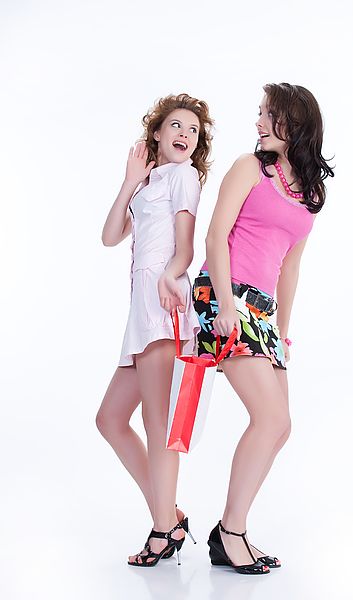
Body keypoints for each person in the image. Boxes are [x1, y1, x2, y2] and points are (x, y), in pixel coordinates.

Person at [192, 82, 334, 574]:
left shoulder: (310, 193)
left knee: (281, 425)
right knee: (270, 419)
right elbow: (215, 236)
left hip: (263, 311)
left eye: (266, 114)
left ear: (293, 124)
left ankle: (232, 530)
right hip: (222, 295)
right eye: (258, 113)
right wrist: (227, 305)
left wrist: (284, 332)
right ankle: (229, 533)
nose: (256, 122)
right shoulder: (248, 168)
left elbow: (290, 268)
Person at [96, 93, 213, 567]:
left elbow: (186, 244)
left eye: (193, 130)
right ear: (158, 134)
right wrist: (129, 182)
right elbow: (109, 236)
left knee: (159, 425)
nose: (186, 135)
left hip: (164, 301)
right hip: (140, 310)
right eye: (177, 127)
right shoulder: (150, 184)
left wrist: (172, 275)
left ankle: (163, 530)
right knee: (110, 420)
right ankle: (171, 515)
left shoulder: (184, 177)